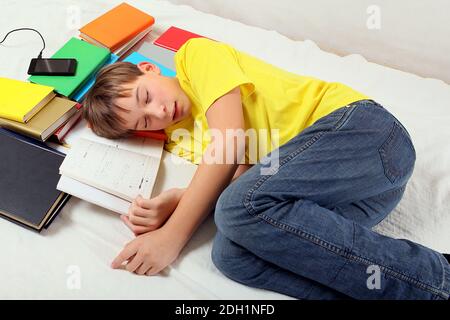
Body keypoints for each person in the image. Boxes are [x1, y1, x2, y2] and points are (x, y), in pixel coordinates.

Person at [82, 38, 450, 300]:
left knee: (235, 210)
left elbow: (231, 142)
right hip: (357, 197)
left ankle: (439, 279)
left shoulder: (195, 59)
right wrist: (178, 199)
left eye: (146, 97)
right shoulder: (181, 140)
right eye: (145, 122)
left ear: (148, 70)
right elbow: (243, 182)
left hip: (367, 137)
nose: (159, 113)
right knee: (233, 256)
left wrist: (171, 236)